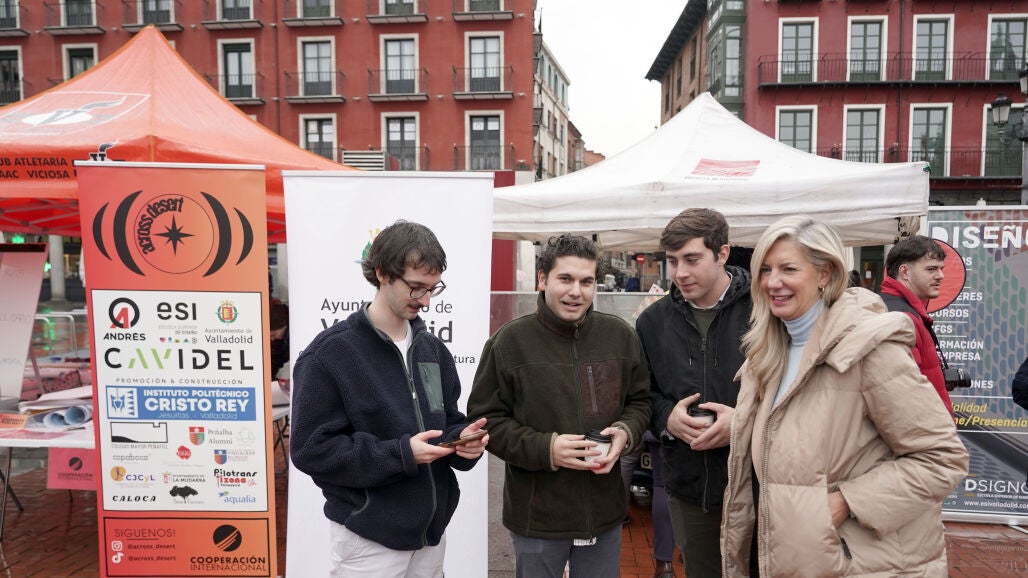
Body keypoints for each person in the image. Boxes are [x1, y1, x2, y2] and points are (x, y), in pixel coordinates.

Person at [721, 216, 969, 577]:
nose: (773, 282)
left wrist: (845, 503)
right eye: (765, 270)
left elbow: (942, 458)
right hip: (794, 559)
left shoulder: (869, 350)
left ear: (825, 273)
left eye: (788, 269)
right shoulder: (767, 356)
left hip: (861, 564)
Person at [289, 220, 488, 578]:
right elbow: (311, 450)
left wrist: (462, 442)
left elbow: (445, 421)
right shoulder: (328, 355)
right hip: (368, 541)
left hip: (431, 535)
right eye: (416, 287)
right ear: (382, 273)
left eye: (432, 288)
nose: (426, 300)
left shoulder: (432, 350)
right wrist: (401, 454)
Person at [467, 233, 650, 578]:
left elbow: (640, 402)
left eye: (586, 281)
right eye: (565, 279)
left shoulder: (620, 336)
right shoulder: (509, 342)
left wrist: (625, 431)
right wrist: (547, 449)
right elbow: (485, 420)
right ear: (542, 279)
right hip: (537, 516)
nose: (576, 291)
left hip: (604, 512)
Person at [635, 208, 751, 578]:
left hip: (758, 486)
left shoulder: (765, 310)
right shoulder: (652, 322)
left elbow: (796, 394)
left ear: (722, 254)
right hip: (689, 490)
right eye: (672, 261)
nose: (680, 273)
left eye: (691, 259)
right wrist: (666, 417)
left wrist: (743, 423)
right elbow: (641, 394)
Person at [880, 235, 953, 415]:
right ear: (904, 272)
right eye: (931, 269)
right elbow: (903, 397)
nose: (941, 276)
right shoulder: (899, 319)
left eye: (941, 268)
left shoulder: (901, 310)